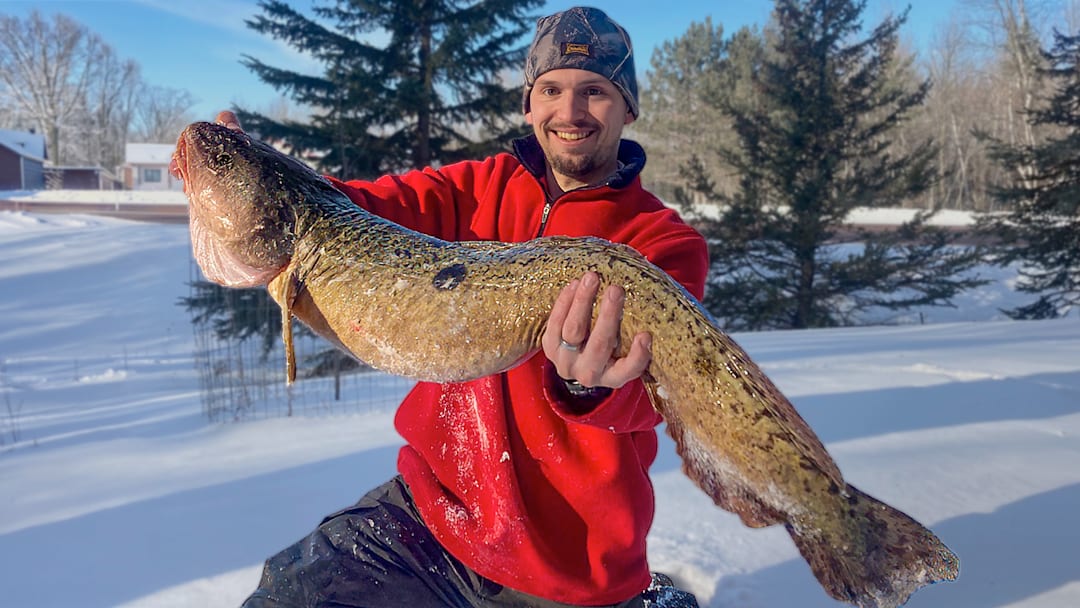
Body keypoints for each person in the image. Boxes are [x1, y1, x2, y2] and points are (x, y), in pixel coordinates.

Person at [225, 7, 708, 608]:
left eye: (596, 92)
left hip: (569, 558)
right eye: (551, 89)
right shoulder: (479, 187)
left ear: (628, 107)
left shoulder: (664, 242)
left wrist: (592, 388)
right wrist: (262, 179)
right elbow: (358, 210)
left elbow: (663, 394)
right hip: (433, 513)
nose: (570, 111)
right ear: (529, 105)